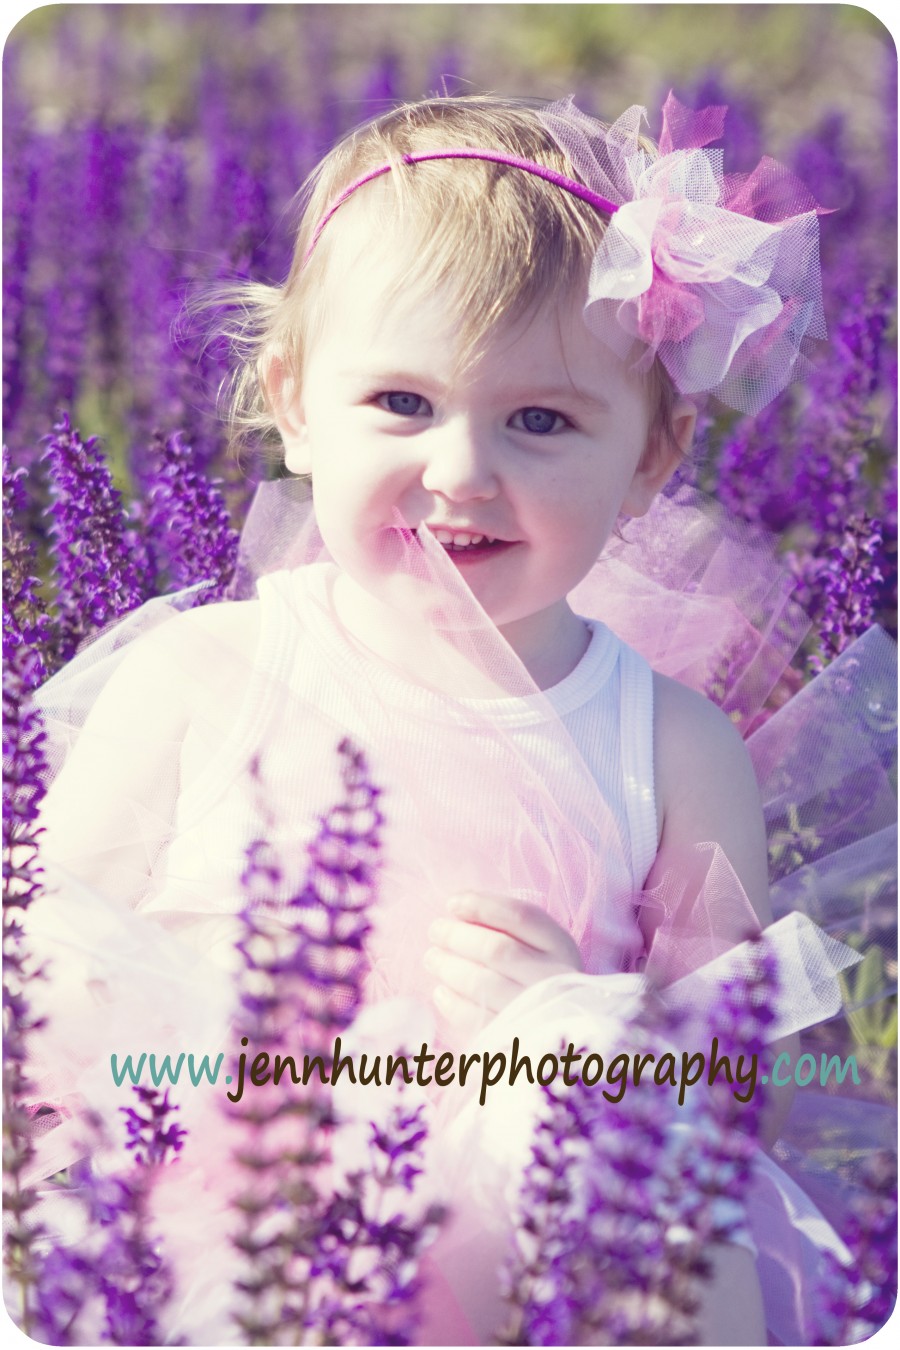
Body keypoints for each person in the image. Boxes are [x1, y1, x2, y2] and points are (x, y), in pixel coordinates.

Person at [27, 93, 895, 1346]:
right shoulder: (197, 680)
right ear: (293, 405)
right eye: (401, 402)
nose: (461, 471)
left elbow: (735, 1079)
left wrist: (580, 1033)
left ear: (653, 458)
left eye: (540, 420)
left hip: (537, 1265)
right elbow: (37, 972)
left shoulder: (673, 746)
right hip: (234, 1241)